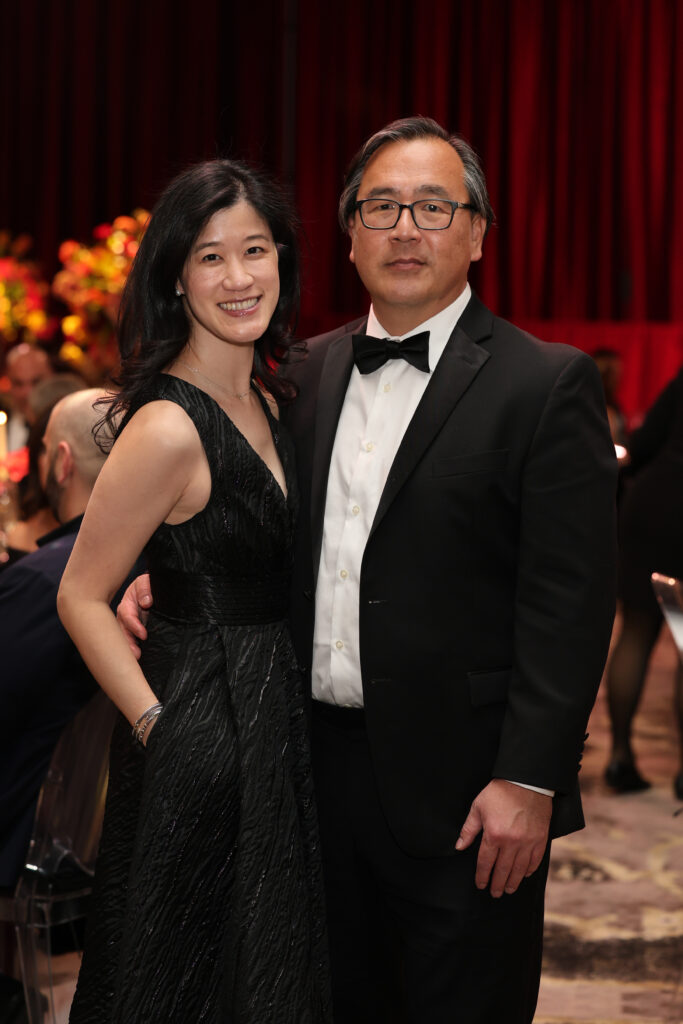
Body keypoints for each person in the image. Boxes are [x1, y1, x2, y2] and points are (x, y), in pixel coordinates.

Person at [120, 118, 617, 1024]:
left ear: (476, 232)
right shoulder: (298, 373)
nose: (404, 227)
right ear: (347, 234)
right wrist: (158, 575)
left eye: (433, 206)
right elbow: (248, 520)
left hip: (470, 793)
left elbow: (570, 602)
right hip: (304, 779)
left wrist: (530, 779)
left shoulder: (544, 383)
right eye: (379, 205)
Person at [57, 160, 331, 1023]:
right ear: (177, 275)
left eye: (256, 250)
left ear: (283, 261)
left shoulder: (272, 395)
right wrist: (156, 726)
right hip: (195, 723)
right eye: (211, 258)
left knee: (259, 966)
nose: (239, 277)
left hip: (273, 717)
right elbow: (80, 595)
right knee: (173, 971)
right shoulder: (169, 425)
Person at [0, 388, 110, 888]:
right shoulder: (146, 560)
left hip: (26, 833)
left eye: (43, 448)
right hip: (96, 839)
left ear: (61, 461)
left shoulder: (53, 579)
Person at [605, 366, 683, 797]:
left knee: (637, 630)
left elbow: (643, 445)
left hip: (655, 505)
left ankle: (619, 757)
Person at [4, 343, 54, 450]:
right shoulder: (4, 422)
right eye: (18, 383)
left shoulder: (62, 426)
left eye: (36, 382)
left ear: (52, 378)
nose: (27, 393)